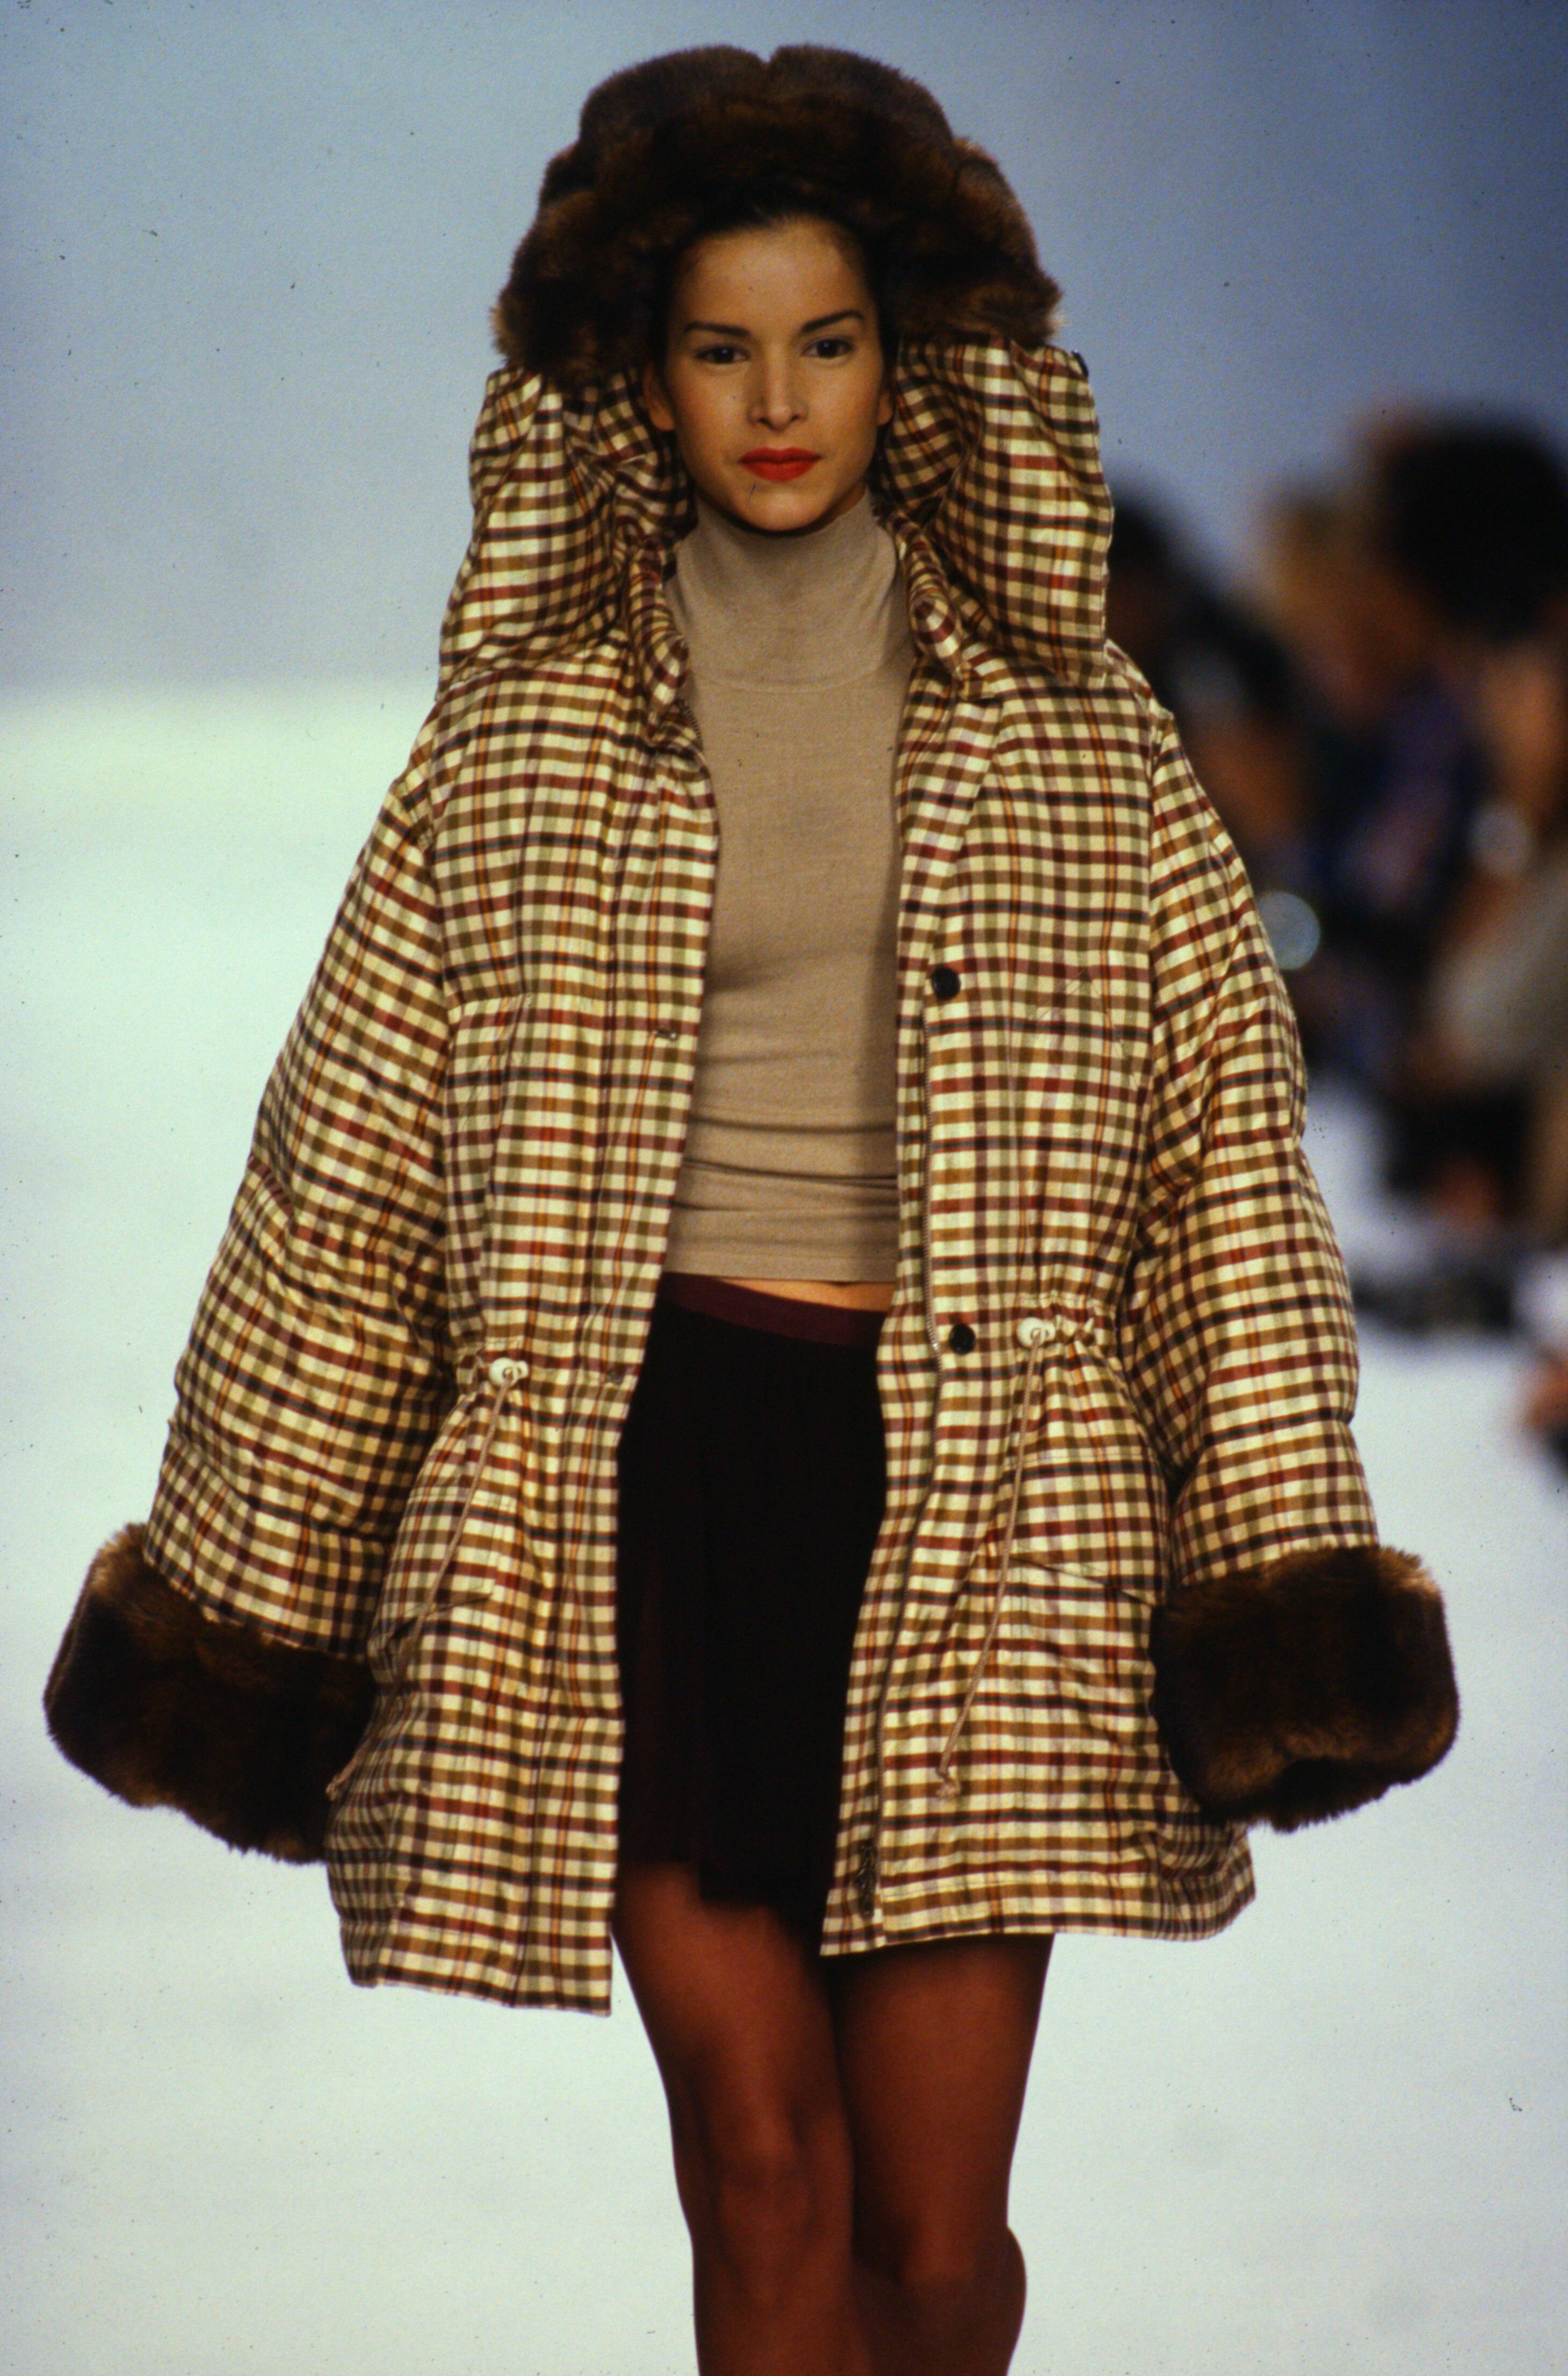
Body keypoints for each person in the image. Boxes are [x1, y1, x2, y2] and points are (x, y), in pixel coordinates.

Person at [44, 46, 1459, 2376]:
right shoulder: (518, 741)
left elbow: (1219, 1175)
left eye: (827, 341)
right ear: (645, 369)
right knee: (763, 2166)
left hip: (981, 1501)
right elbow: (346, 1188)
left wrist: (1276, 1564)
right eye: (722, 346)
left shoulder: (1079, 739)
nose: (779, 402)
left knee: (934, 2240)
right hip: (641, 1489)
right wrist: (246, 1607)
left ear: (910, 360)